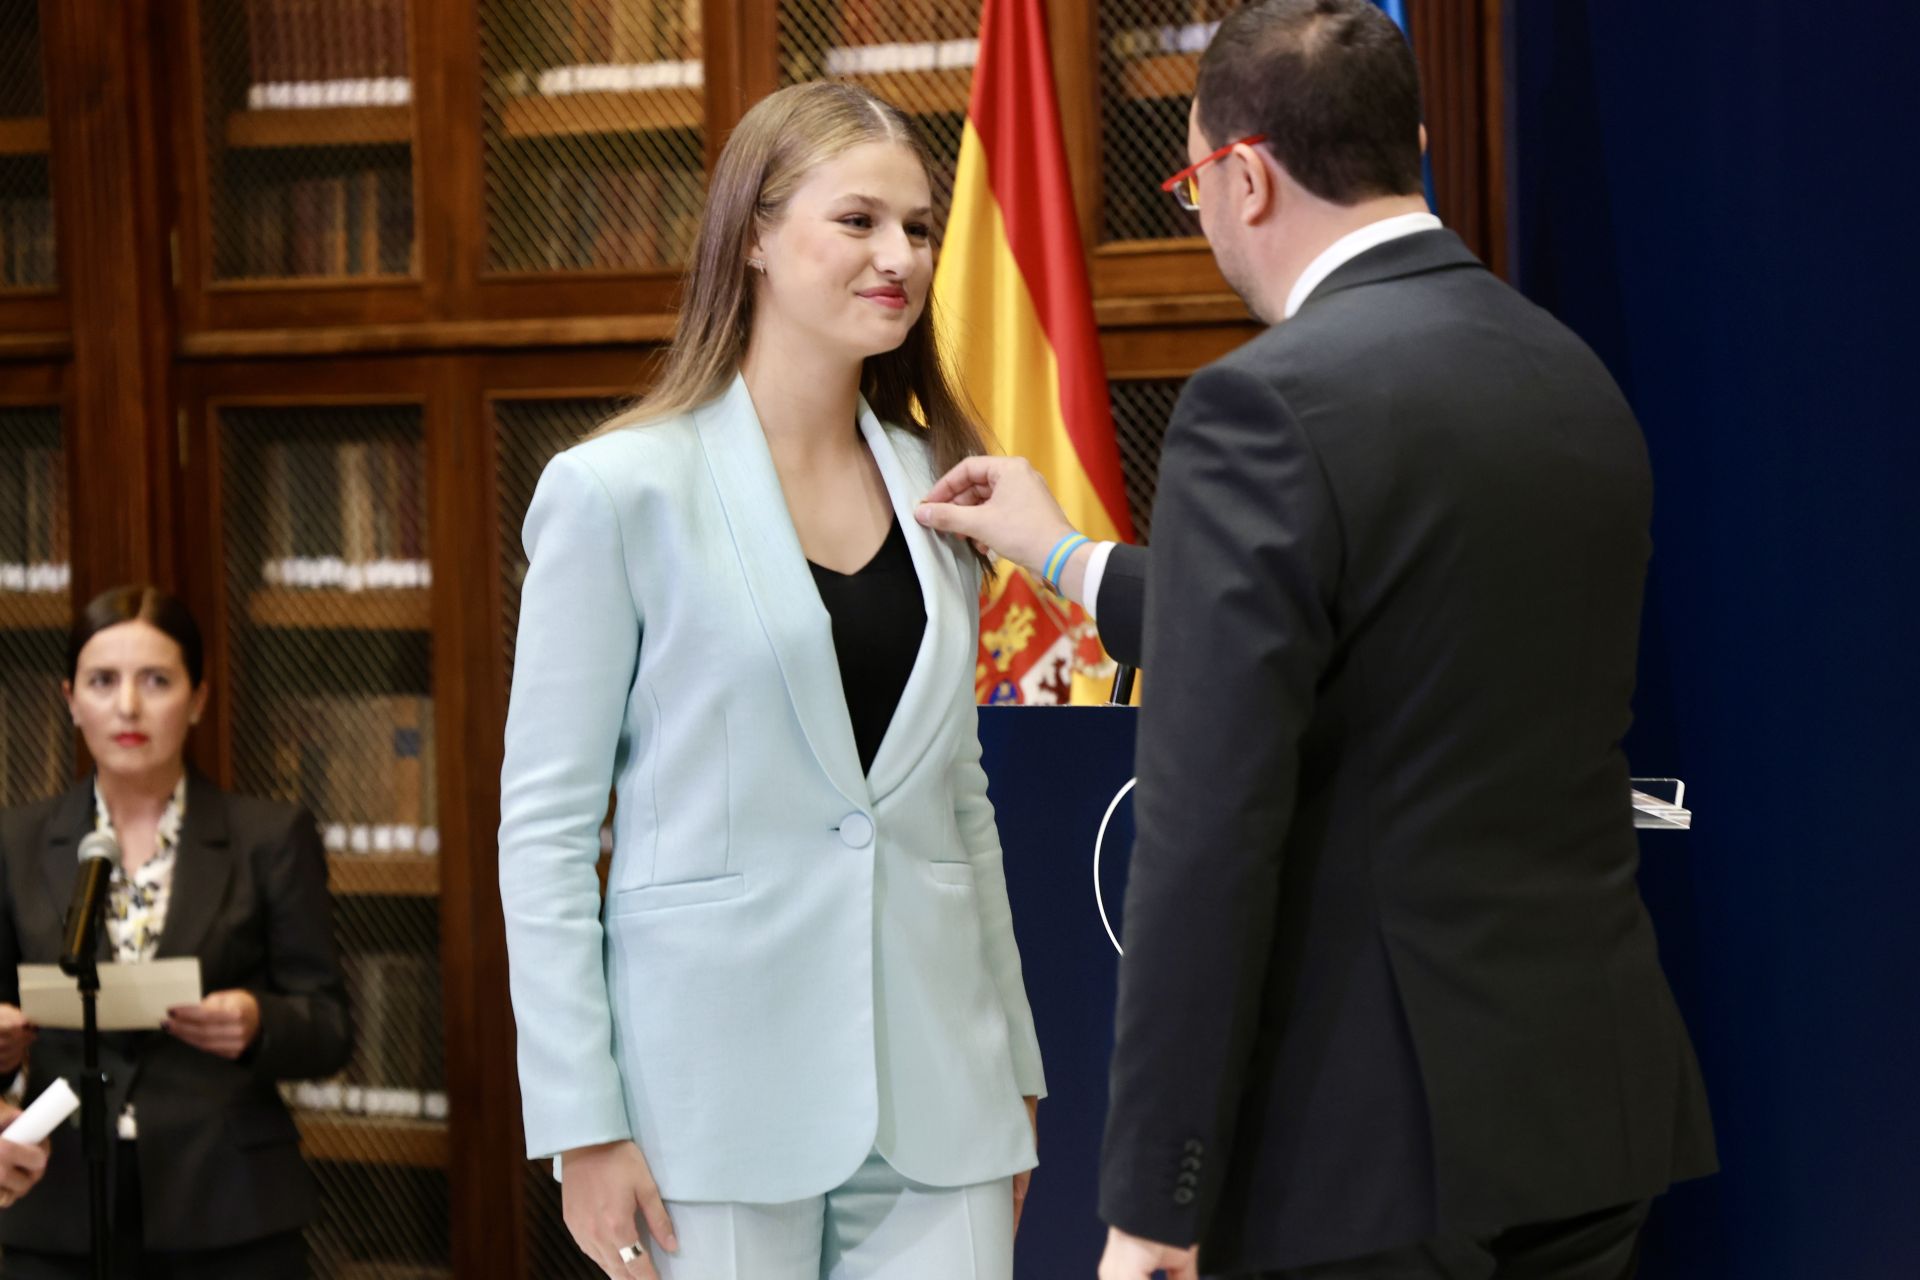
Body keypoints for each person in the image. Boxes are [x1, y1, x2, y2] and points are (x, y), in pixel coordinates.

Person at [916, 2, 1715, 1276]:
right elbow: (1389, 643)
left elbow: (1206, 828)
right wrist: (1065, 555)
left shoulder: (1264, 403)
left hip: (1372, 1168)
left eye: (1187, 181)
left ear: (1244, 175)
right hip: (1589, 1119)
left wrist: (1152, 1198)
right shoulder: (1569, 372)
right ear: (1408, 140)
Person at [498, 81, 1045, 1280]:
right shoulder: (617, 490)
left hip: (941, 1093)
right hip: (710, 1098)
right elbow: (543, 832)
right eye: (858, 220)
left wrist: (1014, 1069)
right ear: (752, 231)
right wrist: (581, 1119)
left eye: (918, 226)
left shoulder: (941, 488)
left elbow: (961, 801)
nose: (899, 255)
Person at [0, 585, 352, 1278]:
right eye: (103, 682)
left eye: (156, 681)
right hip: (54, 1198)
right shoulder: (16, 840)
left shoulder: (268, 837)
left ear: (196, 698)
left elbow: (332, 1027)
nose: (127, 706)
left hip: (229, 1205)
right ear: (71, 699)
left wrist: (259, 1022)